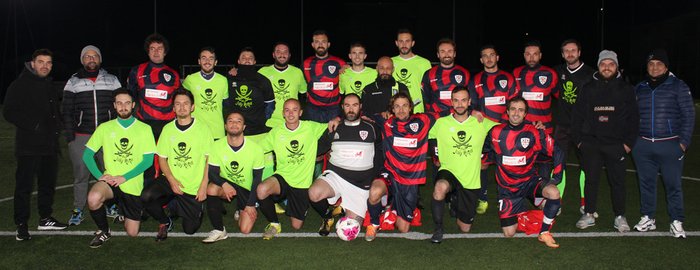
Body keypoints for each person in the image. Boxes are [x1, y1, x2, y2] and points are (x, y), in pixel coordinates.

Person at [361, 92, 447, 241]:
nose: (401, 110)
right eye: (397, 106)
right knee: (374, 192)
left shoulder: (423, 120)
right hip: (390, 172)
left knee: (403, 228)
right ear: (392, 109)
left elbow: (446, 112)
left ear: (410, 107)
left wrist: (473, 111)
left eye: (405, 106)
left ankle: (391, 206)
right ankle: (374, 223)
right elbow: (362, 113)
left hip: (410, 180)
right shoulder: (386, 122)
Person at [4, 48, 67, 241]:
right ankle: (21, 224)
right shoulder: (20, 84)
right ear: (32, 63)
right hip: (28, 146)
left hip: (49, 145)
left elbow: (53, 110)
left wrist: (58, 126)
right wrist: (35, 125)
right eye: (41, 62)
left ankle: (45, 217)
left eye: (48, 63)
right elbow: (9, 111)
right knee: (24, 186)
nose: (45, 66)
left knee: (47, 184)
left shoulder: (48, 84)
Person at [572, 50, 638, 233]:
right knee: (591, 181)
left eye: (611, 64)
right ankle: (589, 213)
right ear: (599, 66)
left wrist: (627, 144)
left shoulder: (626, 89)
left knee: (618, 182)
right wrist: (579, 141)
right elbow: (577, 117)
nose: (606, 67)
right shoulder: (588, 88)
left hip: (616, 145)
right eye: (603, 64)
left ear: (616, 67)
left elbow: (634, 118)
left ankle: (620, 216)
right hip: (591, 143)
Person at [632, 49, 695, 238]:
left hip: (670, 144)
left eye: (659, 64)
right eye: (651, 64)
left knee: (673, 184)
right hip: (643, 145)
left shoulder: (678, 85)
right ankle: (648, 218)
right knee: (646, 184)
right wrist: (634, 142)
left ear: (666, 67)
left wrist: (683, 143)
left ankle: (676, 221)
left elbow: (689, 115)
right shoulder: (640, 87)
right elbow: (632, 116)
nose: (655, 67)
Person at [486, 96, 563, 248]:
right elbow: (484, 152)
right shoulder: (495, 132)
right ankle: (528, 208)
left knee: (554, 193)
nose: (516, 113)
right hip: (507, 188)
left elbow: (556, 150)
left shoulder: (534, 132)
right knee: (509, 233)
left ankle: (544, 232)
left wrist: (557, 177)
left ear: (525, 114)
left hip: (529, 181)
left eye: (521, 110)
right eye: (513, 109)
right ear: (507, 112)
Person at [83, 88, 156, 248]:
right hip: (110, 181)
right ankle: (103, 230)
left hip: (132, 184)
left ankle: (123, 210)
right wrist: (99, 175)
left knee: (132, 233)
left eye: (127, 103)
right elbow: (87, 155)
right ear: (114, 106)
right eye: (120, 103)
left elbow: (148, 160)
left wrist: (125, 177)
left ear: (133, 105)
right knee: (93, 198)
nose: (123, 106)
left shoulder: (144, 129)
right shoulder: (105, 127)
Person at [428, 87, 499, 243]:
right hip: (449, 171)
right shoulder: (441, 123)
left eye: (463, 100)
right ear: (451, 102)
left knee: (464, 228)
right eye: (456, 100)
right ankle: (438, 229)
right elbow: (421, 131)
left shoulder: (480, 121)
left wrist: (533, 126)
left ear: (469, 102)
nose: (460, 104)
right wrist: (435, 153)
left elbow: (505, 130)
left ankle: (454, 200)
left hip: (470, 179)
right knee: (439, 188)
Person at [62, 45, 123, 226]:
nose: (91, 59)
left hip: (107, 136)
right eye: (87, 56)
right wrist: (70, 138)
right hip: (82, 135)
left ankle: (110, 204)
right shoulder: (73, 82)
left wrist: (118, 133)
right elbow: (66, 111)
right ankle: (78, 209)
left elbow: (121, 105)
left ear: (100, 59)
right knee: (81, 174)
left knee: (109, 172)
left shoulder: (112, 80)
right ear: (82, 60)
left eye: (95, 56)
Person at [141, 89, 213, 241]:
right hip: (171, 179)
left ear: (192, 107)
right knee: (146, 196)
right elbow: (162, 158)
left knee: (190, 230)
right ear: (173, 108)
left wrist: (203, 185)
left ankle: (180, 206)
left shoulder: (203, 129)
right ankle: (165, 221)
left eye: (186, 104)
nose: (182, 107)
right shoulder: (167, 129)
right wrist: (172, 180)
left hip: (193, 186)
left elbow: (209, 159)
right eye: (178, 104)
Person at [308, 94, 383, 235]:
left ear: (360, 107)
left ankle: (343, 207)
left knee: (352, 228)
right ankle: (327, 216)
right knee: (313, 193)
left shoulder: (372, 127)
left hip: (361, 184)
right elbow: (318, 149)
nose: (351, 109)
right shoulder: (334, 127)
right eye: (347, 105)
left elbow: (381, 149)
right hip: (336, 176)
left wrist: (377, 175)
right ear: (342, 107)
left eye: (355, 105)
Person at [256, 99, 330, 239]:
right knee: (261, 189)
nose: (291, 113)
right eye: (287, 110)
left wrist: (337, 120)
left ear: (300, 112)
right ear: (283, 113)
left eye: (295, 110)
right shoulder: (276, 132)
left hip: (302, 183)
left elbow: (332, 126)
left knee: (296, 226)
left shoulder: (311, 127)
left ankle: (302, 207)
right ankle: (274, 224)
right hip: (283, 177)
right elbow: (258, 149)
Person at [468, 45, 517, 214]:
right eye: (485, 56)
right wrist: (473, 111)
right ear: (481, 60)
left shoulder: (508, 78)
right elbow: (471, 105)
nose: (488, 58)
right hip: (483, 131)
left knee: (505, 166)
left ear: (497, 57)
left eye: (492, 55)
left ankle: (505, 198)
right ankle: (482, 197)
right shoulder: (475, 80)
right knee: (482, 165)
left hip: (505, 130)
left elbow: (515, 104)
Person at [127, 33, 181, 187]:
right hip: (145, 124)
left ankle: (166, 201)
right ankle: (144, 199)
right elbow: (129, 95)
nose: (156, 51)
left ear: (165, 51)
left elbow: (179, 98)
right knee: (146, 162)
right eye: (152, 48)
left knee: (168, 161)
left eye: (159, 48)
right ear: (148, 51)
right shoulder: (137, 71)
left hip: (167, 125)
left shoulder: (174, 74)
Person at [203, 112, 265, 243]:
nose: (234, 124)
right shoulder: (216, 145)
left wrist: (250, 203)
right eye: (230, 121)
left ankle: (241, 208)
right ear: (225, 126)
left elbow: (257, 179)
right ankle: (220, 230)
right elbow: (212, 173)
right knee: (211, 189)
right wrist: (224, 184)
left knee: (245, 229)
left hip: (246, 190)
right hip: (228, 186)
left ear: (244, 127)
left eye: (238, 121)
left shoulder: (256, 149)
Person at [554, 39, 595, 214]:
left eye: (573, 50)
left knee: (587, 165)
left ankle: (586, 203)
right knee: (558, 164)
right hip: (562, 127)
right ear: (562, 54)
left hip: (584, 129)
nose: (570, 54)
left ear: (579, 52)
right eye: (566, 51)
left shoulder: (591, 74)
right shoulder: (557, 72)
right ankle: (556, 202)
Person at [222, 47, 276, 179]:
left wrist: (261, 118)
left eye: (250, 58)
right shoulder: (229, 79)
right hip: (238, 132)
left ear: (254, 61)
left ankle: (267, 196)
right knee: (241, 166)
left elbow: (270, 104)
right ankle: (245, 195)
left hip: (260, 131)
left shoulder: (262, 80)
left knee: (265, 167)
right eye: (244, 58)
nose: (247, 60)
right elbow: (225, 104)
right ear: (238, 61)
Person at [512, 40, 559, 186]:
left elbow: (561, 99)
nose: (531, 57)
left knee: (544, 168)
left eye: (535, 54)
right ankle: (521, 203)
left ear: (540, 55)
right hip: (523, 129)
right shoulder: (516, 73)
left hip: (544, 130)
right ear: (524, 55)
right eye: (528, 54)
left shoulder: (550, 74)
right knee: (523, 168)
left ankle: (545, 203)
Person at [182, 46, 229, 140]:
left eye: (211, 58)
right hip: (196, 130)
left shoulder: (223, 80)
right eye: (204, 58)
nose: (207, 61)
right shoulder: (190, 80)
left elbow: (226, 107)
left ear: (216, 62)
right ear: (199, 61)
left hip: (217, 131)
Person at [258, 42, 307, 128]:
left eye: (285, 52)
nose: (282, 54)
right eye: (278, 51)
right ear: (273, 54)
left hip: (291, 122)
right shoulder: (263, 72)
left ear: (289, 55)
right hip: (268, 122)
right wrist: (236, 72)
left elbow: (304, 92)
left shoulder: (297, 72)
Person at [303, 30, 346, 123]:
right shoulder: (306, 63)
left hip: (333, 108)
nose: (320, 44)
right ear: (313, 45)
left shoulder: (340, 63)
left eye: (323, 41)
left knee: (333, 136)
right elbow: (304, 83)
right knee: (314, 136)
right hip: (313, 108)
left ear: (328, 44)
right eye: (317, 42)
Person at [422, 38, 470, 115]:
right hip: (437, 119)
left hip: (459, 117)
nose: (446, 55)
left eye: (450, 51)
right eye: (443, 51)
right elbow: (426, 100)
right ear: (438, 54)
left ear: (454, 54)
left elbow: (469, 99)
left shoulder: (465, 73)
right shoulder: (429, 74)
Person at [392, 28, 432, 113]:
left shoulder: (424, 63)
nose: (404, 44)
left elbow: (429, 89)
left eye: (407, 41)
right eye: (401, 41)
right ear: (396, 43)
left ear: (412, 43)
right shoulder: (390, 62)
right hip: (396, 112)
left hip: (417, 111)